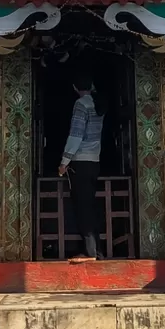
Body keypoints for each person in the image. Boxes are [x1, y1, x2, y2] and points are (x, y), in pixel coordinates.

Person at [57, 73, 104, 263]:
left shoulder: (81, 105)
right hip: (94, 161)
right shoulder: (98, 103)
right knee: (90, 206)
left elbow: (76, 135)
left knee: (82, 208)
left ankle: (91, 252)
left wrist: (64, 162)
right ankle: (96, 251)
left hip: (80, 162)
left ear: (75, 88)